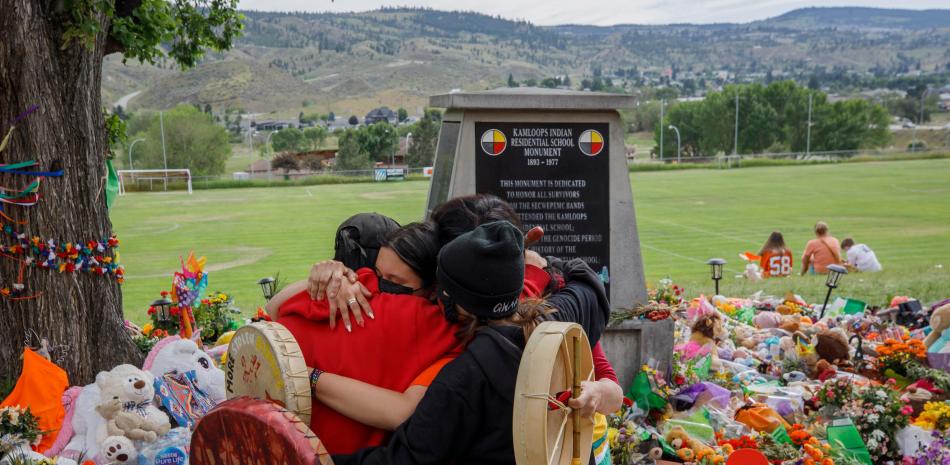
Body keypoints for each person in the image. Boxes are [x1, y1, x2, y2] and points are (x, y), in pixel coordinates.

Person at [328, 221, 610, 465]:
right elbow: (586, 283)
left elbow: (405, 459)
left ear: (453, 300)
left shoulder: (464, 377)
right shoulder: (555, 318)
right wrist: (540, 266)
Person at [274, 222, 463, 454]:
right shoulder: (355, 285)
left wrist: (305, 376)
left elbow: (269, 316)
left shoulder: (433, 325)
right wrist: (331, 275)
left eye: (395, 283)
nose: (381, 287)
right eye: (379, 274)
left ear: (434, 288)